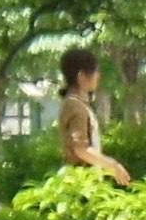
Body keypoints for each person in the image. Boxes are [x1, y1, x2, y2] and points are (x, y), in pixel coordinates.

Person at [57, 45, 132, 184]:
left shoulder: (76, 104)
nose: (98, 76)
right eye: (95, 71)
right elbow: (81, 149)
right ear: (81, 76)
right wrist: (113, 165)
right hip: (80, 184)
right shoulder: (76, 106)